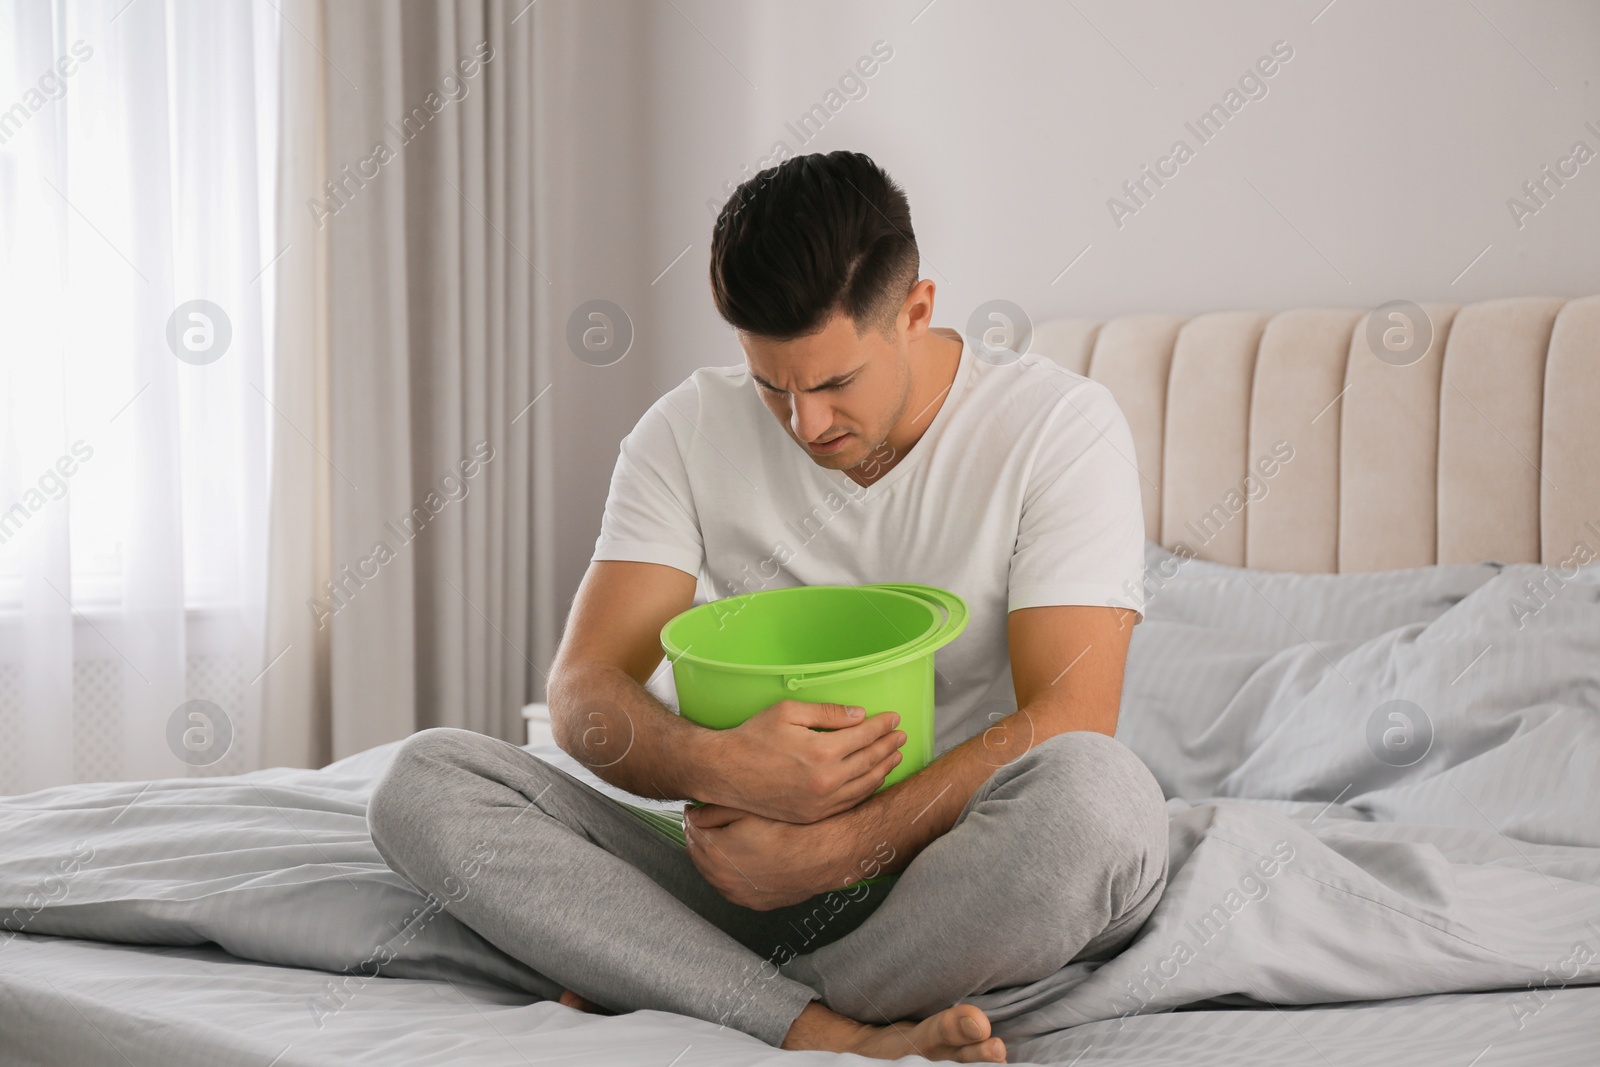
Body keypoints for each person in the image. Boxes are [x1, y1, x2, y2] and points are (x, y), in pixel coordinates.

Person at [368, 150, 1168, 1063]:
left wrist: (848, 847)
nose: (805, 425)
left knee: (1100, 802)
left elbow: (1072, 715)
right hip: (744, 876)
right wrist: (723, 767)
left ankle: (681, 983)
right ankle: (827, 1030)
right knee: (424, 782)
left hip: (963, 878)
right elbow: (585, 690)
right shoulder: (683, 431)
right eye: (771, 385)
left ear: (916, 310)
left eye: (834, 384)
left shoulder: (1059, 428)